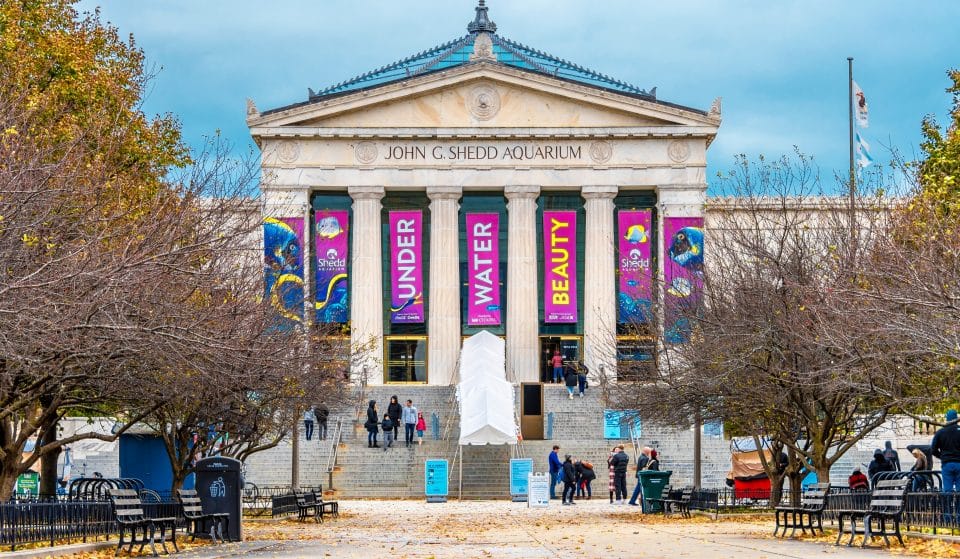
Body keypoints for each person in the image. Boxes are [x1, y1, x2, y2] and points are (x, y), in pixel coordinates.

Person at [932, 409, 960, 493]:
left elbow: (933, 449)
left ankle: (948, 502)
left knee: (947, 491)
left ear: (947, 419)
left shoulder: (940, 432)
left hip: (947, 463)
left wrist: (942, 456)